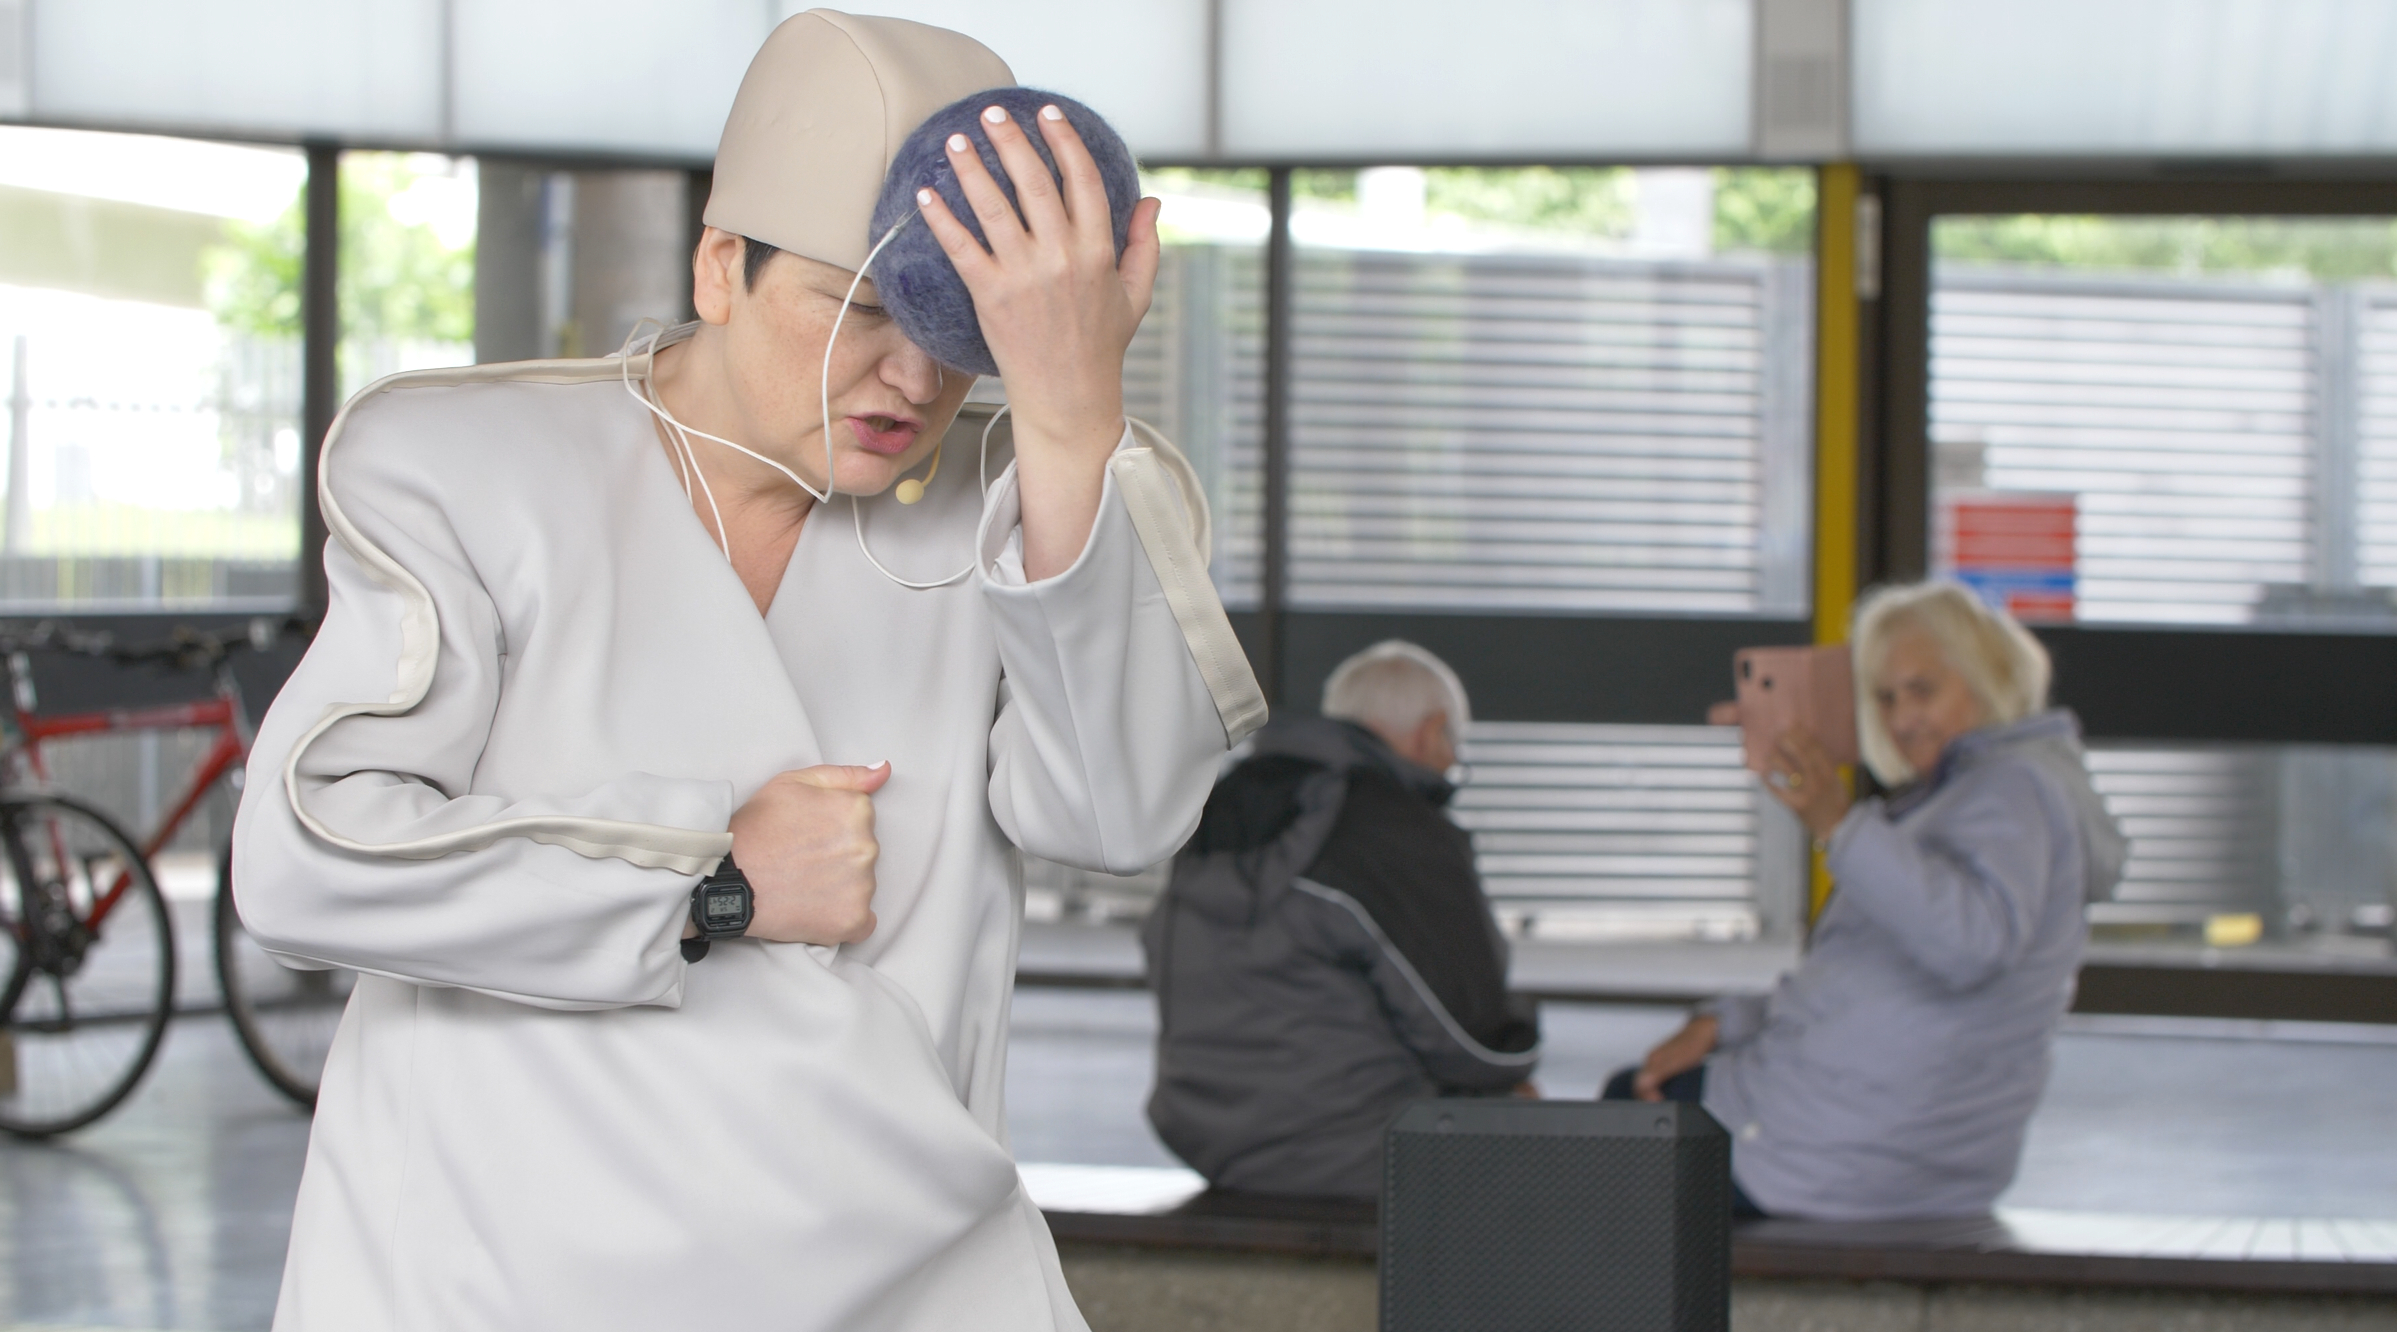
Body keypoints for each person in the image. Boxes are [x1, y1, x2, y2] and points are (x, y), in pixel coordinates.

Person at [230, 11, 1262, 1331]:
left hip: (896, 1268)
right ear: (721, 266)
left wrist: (1071, 418)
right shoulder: (479, 469)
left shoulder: (1016, 501)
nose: (912, 375)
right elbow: (307, 859)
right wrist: (714, 882)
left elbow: (1117, 820)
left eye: (962, 331)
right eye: (862, 311)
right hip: (493, 1270)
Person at [1609, 582, 2127, 1221]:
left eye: (1923, 689)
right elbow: (1870, 972)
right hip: (1885, 1145)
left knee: (1615, 1126)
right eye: (1884, 697)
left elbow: (1970, 944)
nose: (1902, 718)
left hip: (1841, 1152)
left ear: (1987, 676)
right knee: (1629, 1112)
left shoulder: (2012, 786)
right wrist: (1727, 1022)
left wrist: (1838, 822)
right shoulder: (1967, 795)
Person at [1144, 641, 1540, 1200]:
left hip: (1207, 1135)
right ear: (1431, 731)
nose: (1452, 761)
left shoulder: (1226, 802)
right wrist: (1517, 1062)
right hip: (1354, 1144)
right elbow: (1473, 1044)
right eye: (1454, 743)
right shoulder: (1394, 830)